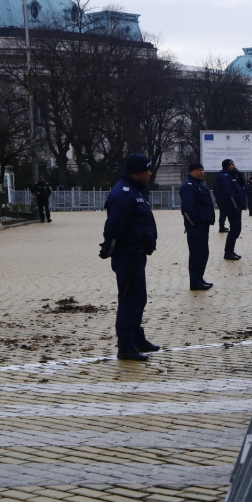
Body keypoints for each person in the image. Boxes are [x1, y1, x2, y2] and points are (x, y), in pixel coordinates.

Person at [99, 153, 160, 362]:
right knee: (129, 300)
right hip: (128, 255)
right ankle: (126, 346)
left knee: (138, 298)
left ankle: (136, 338)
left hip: (137, 253)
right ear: (138, 171)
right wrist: (111, 249)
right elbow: (114, 227)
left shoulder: (134, 190)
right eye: (148, 169)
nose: (150, 173)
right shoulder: (123, 194)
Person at [180, 162, 215, 291]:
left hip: (203, 225)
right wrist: (194, 223)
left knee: (203, 253)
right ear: (191, 171)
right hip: (196, 227)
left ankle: (199, 278)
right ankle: (195, 281)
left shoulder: (199, 185)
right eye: (198, 170)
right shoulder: (189, 186)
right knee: (197, 254)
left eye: (202, 170)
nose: (201, 172)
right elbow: (187, 209)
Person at [214, 158, 247, 260]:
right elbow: (228, 194)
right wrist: (235, 206)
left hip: (236, 206)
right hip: (232, 207)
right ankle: (228, 252)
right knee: (234, 229)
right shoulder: (224, 177)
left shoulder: (232, 176)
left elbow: (242, 184)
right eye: (232, 164)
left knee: (236, 229)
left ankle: (230, 251)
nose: (234, 166)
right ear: (228, 166)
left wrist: (240, 174)